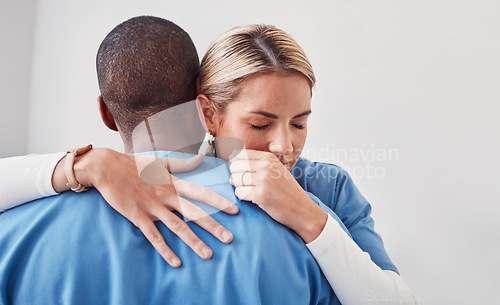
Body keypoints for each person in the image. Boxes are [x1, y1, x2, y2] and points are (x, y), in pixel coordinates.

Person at [0, 19, 422, 305]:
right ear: (207, 114)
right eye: (260, 124)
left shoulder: (326, 191)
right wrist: (85, 164)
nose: (283, 146)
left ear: (107, 114)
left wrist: (310, 218)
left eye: (300, 123)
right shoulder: (105, 179)